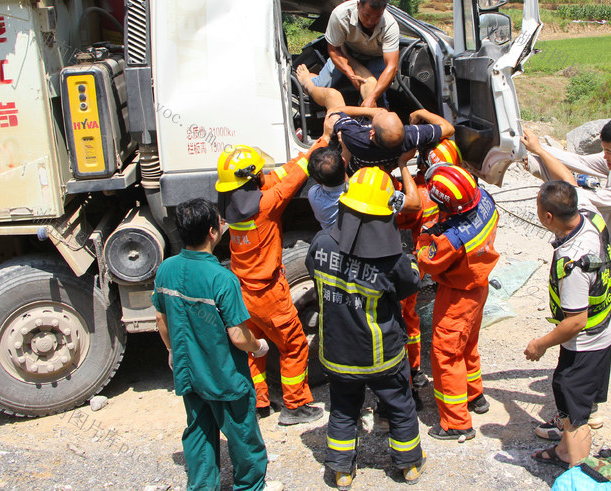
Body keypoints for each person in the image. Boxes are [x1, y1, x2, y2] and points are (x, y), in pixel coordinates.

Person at [306, 166, 426, 489]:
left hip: (337, 354)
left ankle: (342, 470)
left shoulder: (321, 243)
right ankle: (408, 465)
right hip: (382, 357)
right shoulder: (392, 260)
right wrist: (408, 254)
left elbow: (312, 267)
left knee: (343, 410)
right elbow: (410, 282)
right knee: (400, 405)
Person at [152, 198, 283, 491]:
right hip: (224, 377)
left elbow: (161, 318)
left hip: (188, 371)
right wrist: (258, 346)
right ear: (213, 232)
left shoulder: (166, 270)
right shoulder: (223, 279)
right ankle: (249, 486)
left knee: (198, 430)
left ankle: (202, 486)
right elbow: (238, 336)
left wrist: (172, 351)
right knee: (242, 435)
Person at [215, 142, 326, 426]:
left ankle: (259, 402)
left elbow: (276, 176)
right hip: (268, 293)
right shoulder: (266, 205)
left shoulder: (229, 204)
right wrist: (320, 146)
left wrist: (310, 150)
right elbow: (293, 179)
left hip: (242, 291)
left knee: (255, 348)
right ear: (252, 179)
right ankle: (295, 404)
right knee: (295, 345)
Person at [522, 118, 611, 319]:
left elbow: (578, 197)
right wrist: (536, 150)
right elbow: (578, 162)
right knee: (577, 323)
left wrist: (541, 156)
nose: (604, 157)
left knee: (596, 334)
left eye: (608, 153)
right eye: (603, 150)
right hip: (599, 261)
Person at [523, 181, 611, 470]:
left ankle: (579, 472)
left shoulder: (573, 263)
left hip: (586, 343)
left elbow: (575, 322)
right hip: (606, 327)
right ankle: (564, 451)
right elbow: (568, 179)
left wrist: (540, 344)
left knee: (574, 413)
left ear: (548, 217)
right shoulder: (590, 215)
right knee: (570, 394)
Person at [415, 164, 500, 440]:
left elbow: (428, 259)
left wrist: (427, 233)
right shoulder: (484, 200)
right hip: (479, 287)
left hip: (458, 296)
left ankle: (456, 422)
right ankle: (475, 396)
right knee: (467, 345)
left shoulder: (451, 239)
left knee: (446, 354)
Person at [296, 63, 454, 174]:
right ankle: (350, 60)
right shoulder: (410, 138)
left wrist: (369, 112)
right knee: (370, 83)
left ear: (371, 132)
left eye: (381, 114)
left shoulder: (354, 138)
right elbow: (449, 128)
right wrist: (421, 112)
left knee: (332, 95)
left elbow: (334, 112)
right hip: (381, 152)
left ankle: (308, 84)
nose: (381, 111)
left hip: (350, 152)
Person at [395, 138, 461, 391]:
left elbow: (399, 214)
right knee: (410, 316)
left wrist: (401, 166)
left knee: (401, 314)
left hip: (414, 255)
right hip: (434, 258)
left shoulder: (420, 193)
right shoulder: (457, 189)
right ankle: (415, 368)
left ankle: (407, 373)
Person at [311, 0, 400, 107]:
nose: (370, 22)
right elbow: (333, 49)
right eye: (367, 15)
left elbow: (392, 67)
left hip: (376, 57)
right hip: (345, 52)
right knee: (321, 87)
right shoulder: (340, 15)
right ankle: (307, 78)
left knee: (377, 97)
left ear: (383, 11)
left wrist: (373, 97)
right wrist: (349, 73)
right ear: (358, 5)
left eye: (377, 17)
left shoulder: (390, 26)